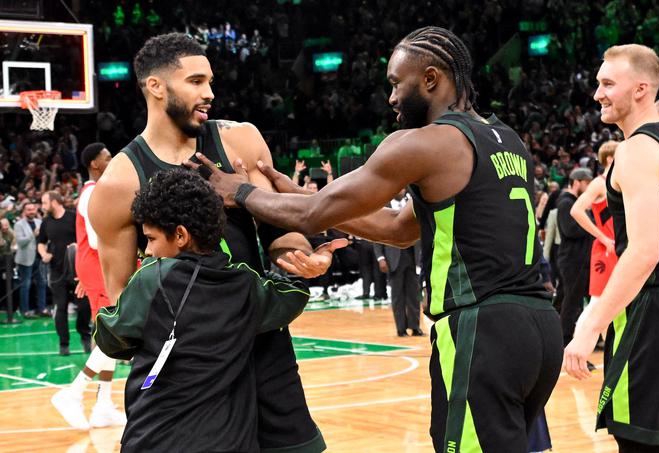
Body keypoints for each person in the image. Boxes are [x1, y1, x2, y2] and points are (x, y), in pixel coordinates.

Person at [189, 26, 563, 452]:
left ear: (430, 79)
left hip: (484, 329)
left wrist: (238, 191)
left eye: (395, 83)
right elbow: (399, 229)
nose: (390, 98)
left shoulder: (424, 143)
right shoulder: (507, 139)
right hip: (539, 327)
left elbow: (314, 215)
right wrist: (298, 193)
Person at [89, 33, 342, 453]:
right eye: (195, 81)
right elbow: (120, 297)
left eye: (209, 81)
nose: (210, 93)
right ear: (155, 86)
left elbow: (279, 229)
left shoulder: (240, 139)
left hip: (262, 345)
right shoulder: (119, 183)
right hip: (188, 375)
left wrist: (297, 259)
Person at [95, 169, 311, 452]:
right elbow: (293, 293)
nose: (147, 251)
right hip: (229, 442)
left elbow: (110, 337)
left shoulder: (152, 278)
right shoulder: (244, 286)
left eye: (150, 239)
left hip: (155, 439)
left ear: (181, 235)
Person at [564, 44, 659, 452]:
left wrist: (589, 324)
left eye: (608, 83)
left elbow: (645, 252)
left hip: (651, 316)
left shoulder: (635, 150)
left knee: (640, 441)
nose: (597, 93)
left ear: (641, 89)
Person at [51, 142, 124, 431]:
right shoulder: (92, 192)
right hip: (98, 264)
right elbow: (96, 240)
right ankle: (73, 392)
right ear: (95, 163)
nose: (112, 159)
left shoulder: (99, 191)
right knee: (115, 332)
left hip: (100, 265)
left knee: (112, 333)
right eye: (107, 156)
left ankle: (103, 405)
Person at [570, 141, 618, 336]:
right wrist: (604, 238)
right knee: (597, 302)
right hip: (606, 248)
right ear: (610, 159)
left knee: (617, 304)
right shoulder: (599, 183)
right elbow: (576, 210)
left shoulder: (621, 182)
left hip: (621, 248)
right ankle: (574, 350)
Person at [37, 191, 90, 356]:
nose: (43, 206)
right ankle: (63, 343)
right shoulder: (46, 222)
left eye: (45, 203)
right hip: (56, 272)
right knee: (60, 308)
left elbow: (85, 238)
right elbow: (40, 242)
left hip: (77, 272)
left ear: (54, 202)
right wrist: (44, 254)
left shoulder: (73, 217)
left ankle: (85, 335)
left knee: (83, 307)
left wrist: (76, 245)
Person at [373, 189, 422, 336]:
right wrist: (380, 258)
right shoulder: (383, 207)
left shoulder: (411, 204)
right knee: (397, 295)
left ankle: (415, 326)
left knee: (414, 295)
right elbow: (377, 234)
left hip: (412, 257)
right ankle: (400, 329)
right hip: (393, 258)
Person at [556, 168, 593, 346]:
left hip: (578, 260)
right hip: (572, 260)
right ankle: (565, 340)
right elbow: (570, 230)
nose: (589, 187)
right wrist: (591, 226)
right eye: (587, 183)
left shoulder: (574, 202)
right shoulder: (565, 203)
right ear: (576, 182)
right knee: (572, 302)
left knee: (569, 300)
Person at [13, 203, 48, 318]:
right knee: (26, 285)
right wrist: (33, 234)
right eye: (28, 210)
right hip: (25, 259)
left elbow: (45, 239)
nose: (31, 212)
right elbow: (20, 242)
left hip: (39, 257)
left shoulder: (40, 222)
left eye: (33, 209)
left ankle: (42, 309)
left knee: (42, 284)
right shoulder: (19, 225)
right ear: (24, 211)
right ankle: (25, 311)